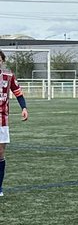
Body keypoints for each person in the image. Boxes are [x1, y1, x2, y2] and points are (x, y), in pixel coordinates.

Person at [0, 50, 30, 197]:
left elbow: (18, 93)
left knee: (0, 153)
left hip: (2, 120)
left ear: (2, 61)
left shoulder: (8, 76)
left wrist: (24, 108)